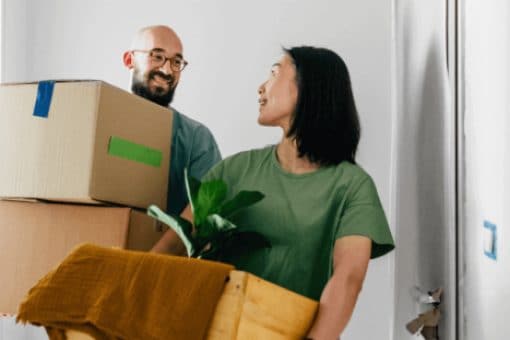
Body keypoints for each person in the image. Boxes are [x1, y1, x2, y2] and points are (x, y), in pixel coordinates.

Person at [152, 46, 395, 339]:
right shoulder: (234, 171)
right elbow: (170, 249)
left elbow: (348, 278)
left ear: (309, 89)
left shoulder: (352, 186)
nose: (261, 86)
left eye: (275, 72)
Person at [123, 25, 221, 215]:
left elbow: (206, 215)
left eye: (176, 62)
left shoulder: (197, 139)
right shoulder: (100, 118)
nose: (167, 71)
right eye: (157, 56)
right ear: (129, 60)